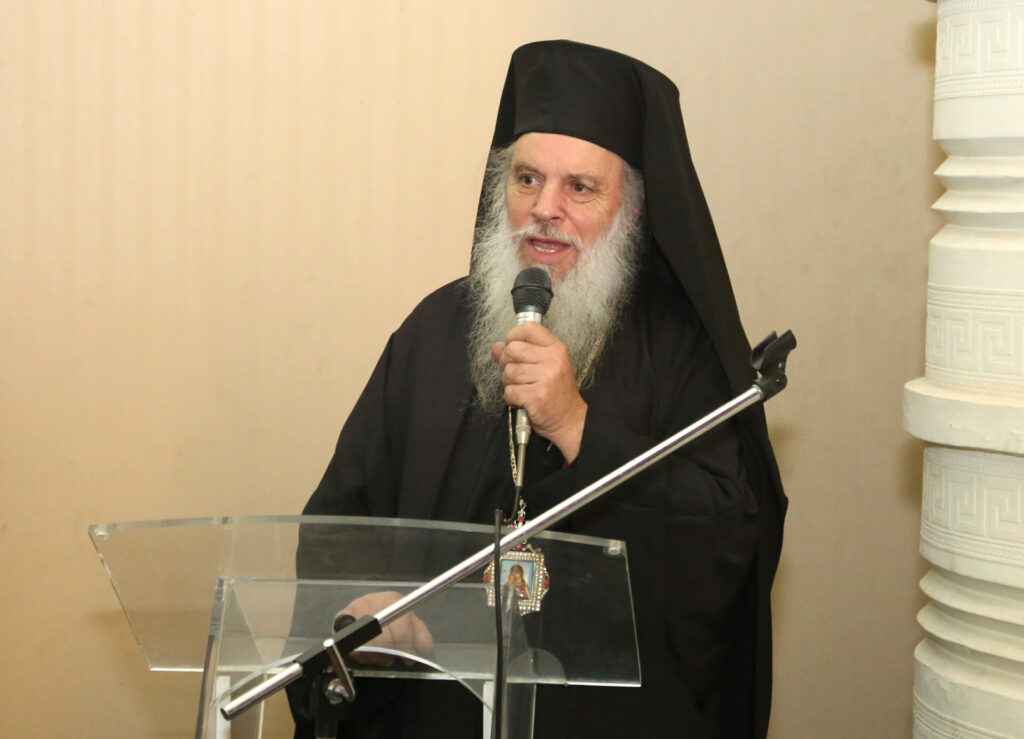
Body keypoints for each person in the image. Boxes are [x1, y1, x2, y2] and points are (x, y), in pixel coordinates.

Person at [293, 40, 787, 738]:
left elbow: (730, 539)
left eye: (579, 188)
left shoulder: (684, 351)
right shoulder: (435, 331)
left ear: (633, 208)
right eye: (527, 179)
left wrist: (578, 425)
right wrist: (360, 616)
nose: (544, 208)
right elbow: (341, 526)